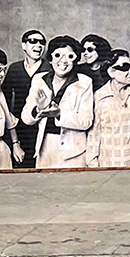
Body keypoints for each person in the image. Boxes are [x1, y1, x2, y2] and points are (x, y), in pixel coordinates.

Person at [22, 36, 97, 169]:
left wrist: (59, 114)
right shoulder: (39, 79)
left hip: (74, 153)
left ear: (76, 60)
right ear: (50, 59)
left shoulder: (84, 82)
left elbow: (86, 121)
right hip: (45, 148)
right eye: (57, 55)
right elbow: (26, 118)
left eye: (70, 56)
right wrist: (39, 110)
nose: (63, 61)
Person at [89, 50, 130, 168]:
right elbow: (94, 134)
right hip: (107, 163)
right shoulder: (98, 97)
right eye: (125, 67)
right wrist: (93, 164)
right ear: (111, 71)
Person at [1, 30, 50, 168]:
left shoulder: (51, 68)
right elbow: (4, 98)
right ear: (24, 45)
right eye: (33, 41)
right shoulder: (14, 68)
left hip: (43, 125)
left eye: (42, 42)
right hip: (19, 128)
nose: (38, 45)